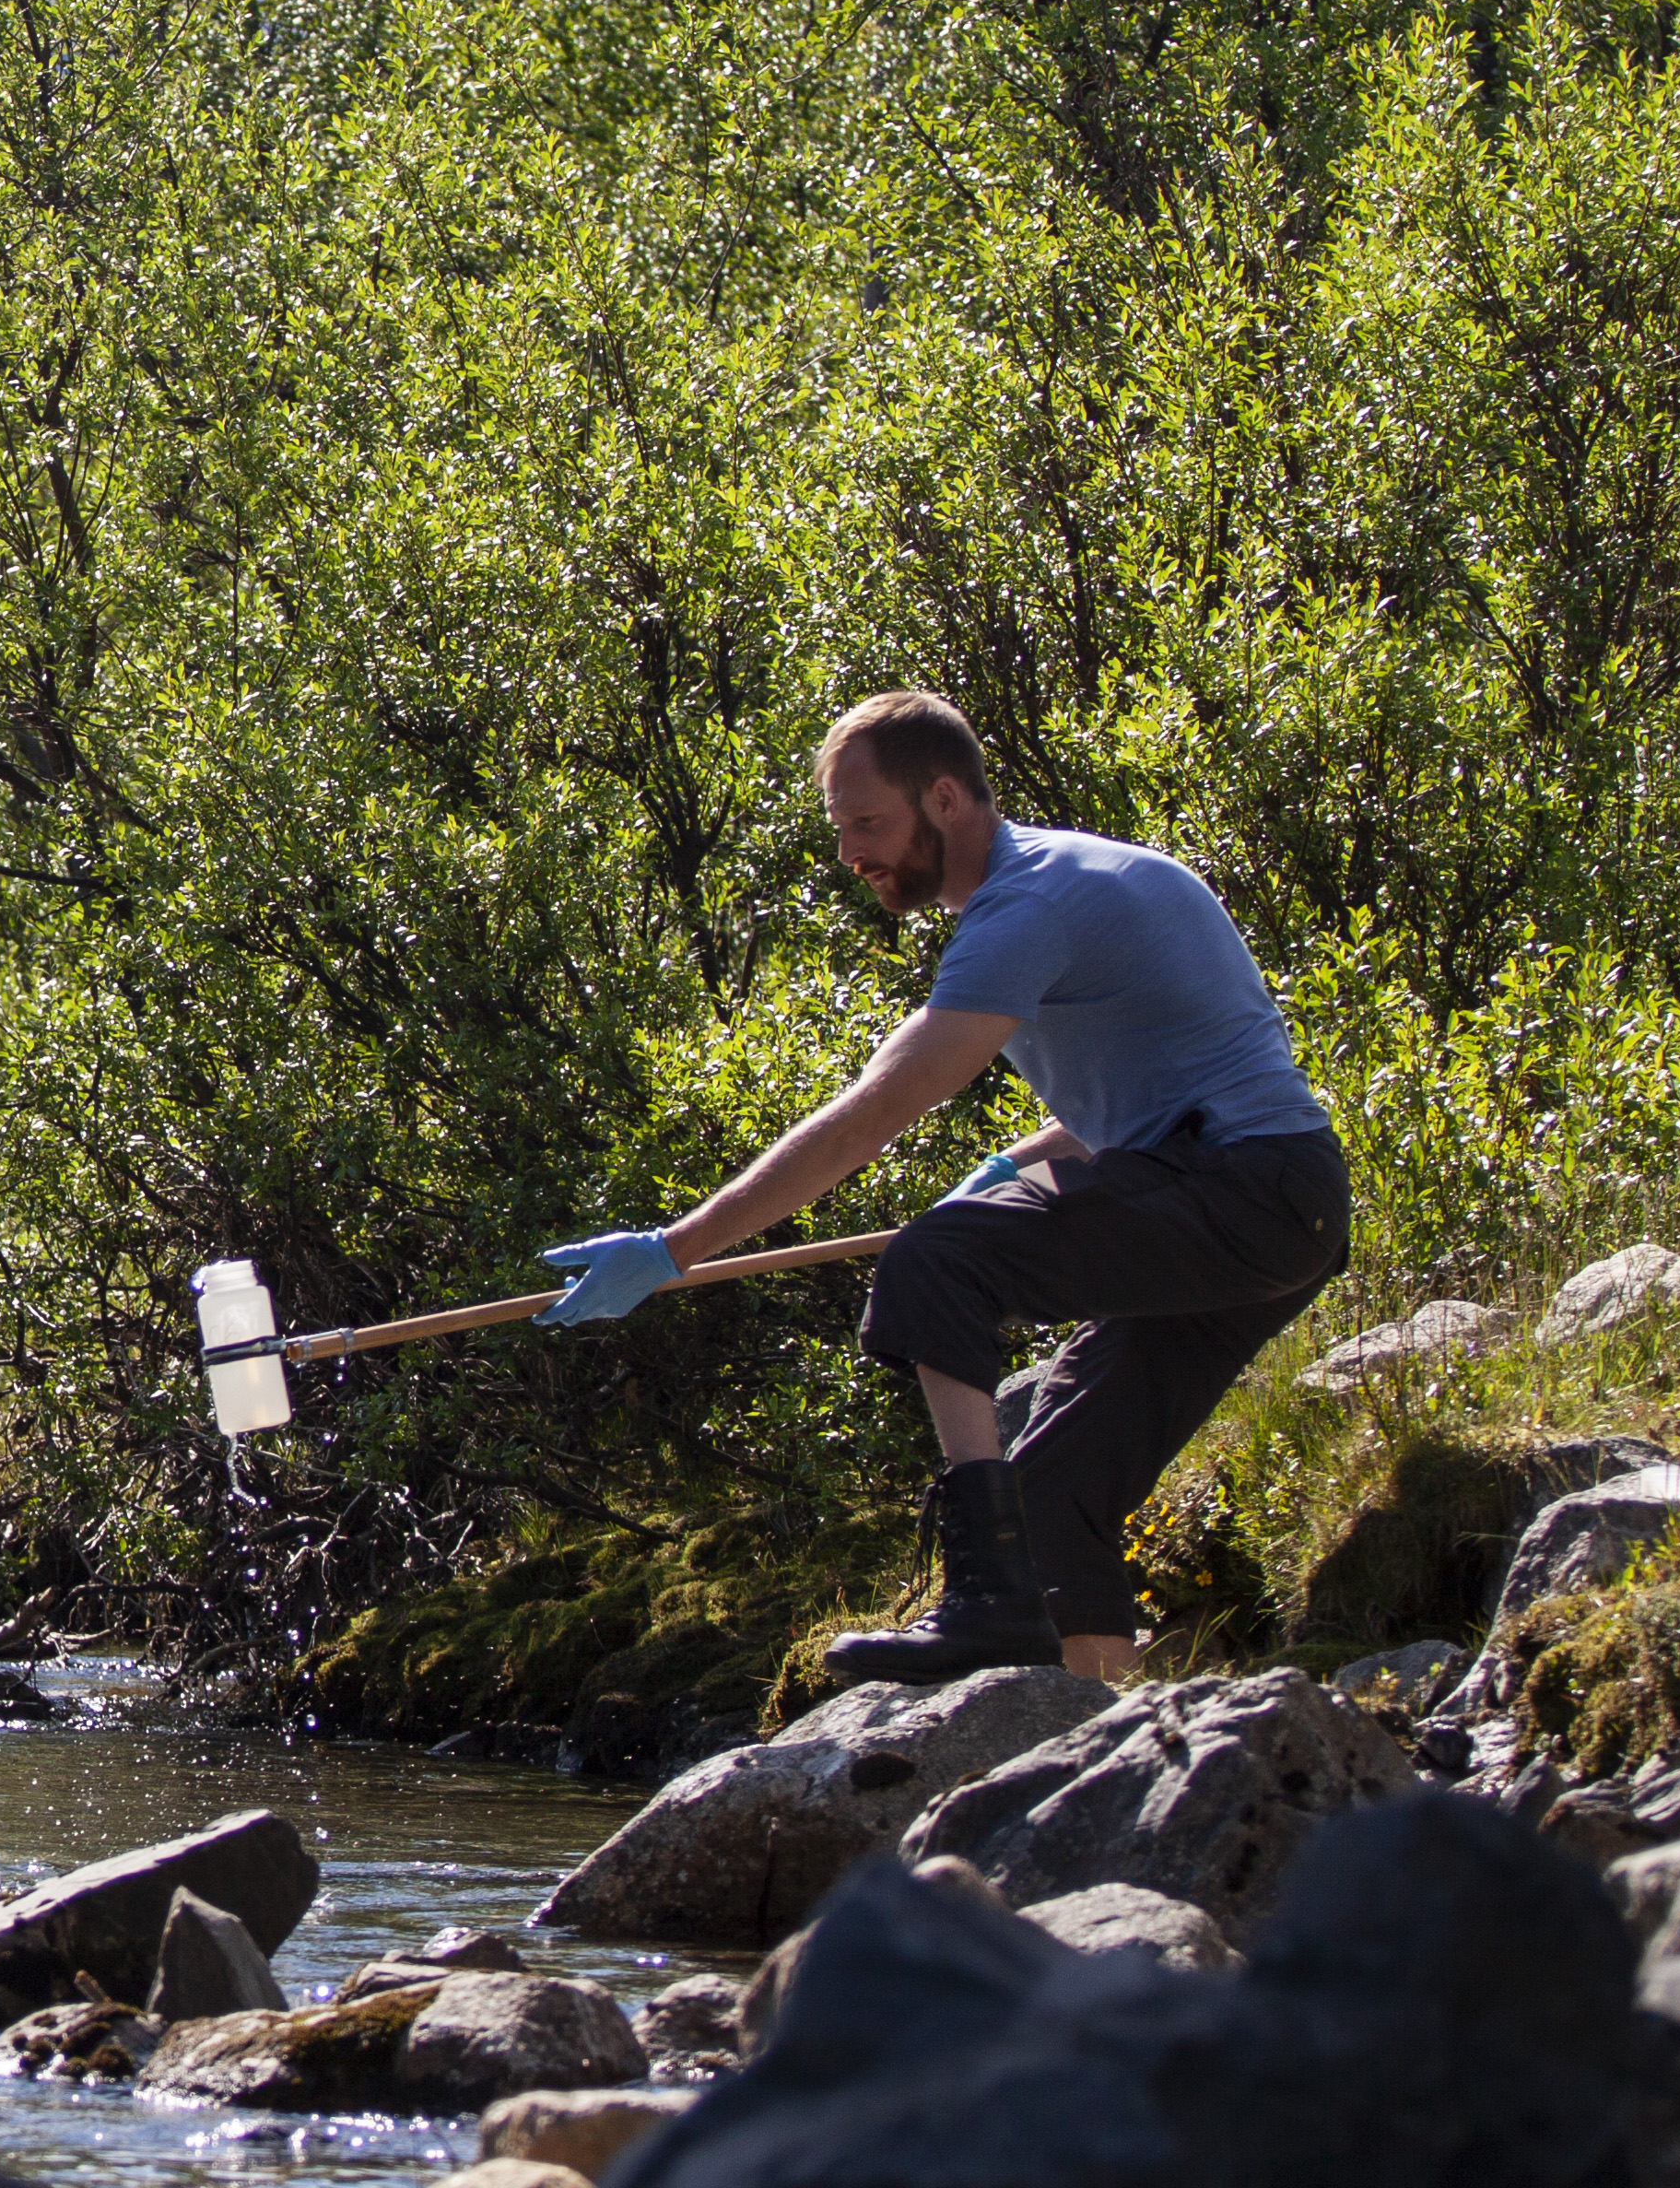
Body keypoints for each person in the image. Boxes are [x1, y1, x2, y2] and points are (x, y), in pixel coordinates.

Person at [530, 691, 1350, 1683]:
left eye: (869, 824)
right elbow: (1167, 1088)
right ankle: (1099, 1735)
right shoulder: (1076, 875)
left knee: (939, 1259)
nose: (851, 854)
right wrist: (1017, 1164)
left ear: (948, 799)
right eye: (840, 829)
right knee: (1049, 1502)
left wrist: (675, 1250)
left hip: (1247, 1190)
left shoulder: (1028, 905)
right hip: (1270, 1202)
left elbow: (880, 1107)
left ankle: (984, 1600)